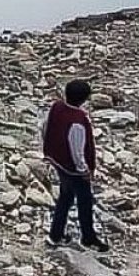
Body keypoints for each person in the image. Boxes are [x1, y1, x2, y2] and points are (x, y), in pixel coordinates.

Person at [41, 79, 110, 251]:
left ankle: (55, 234)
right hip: (73, 169)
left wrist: (49, 149)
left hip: (58, 161)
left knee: (65, 197)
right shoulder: (78, 121)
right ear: (84, 99)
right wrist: (84, 169)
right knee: (85, 202)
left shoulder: (56, 107)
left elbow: (45, 127)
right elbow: (77, 149)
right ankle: (88, 237)